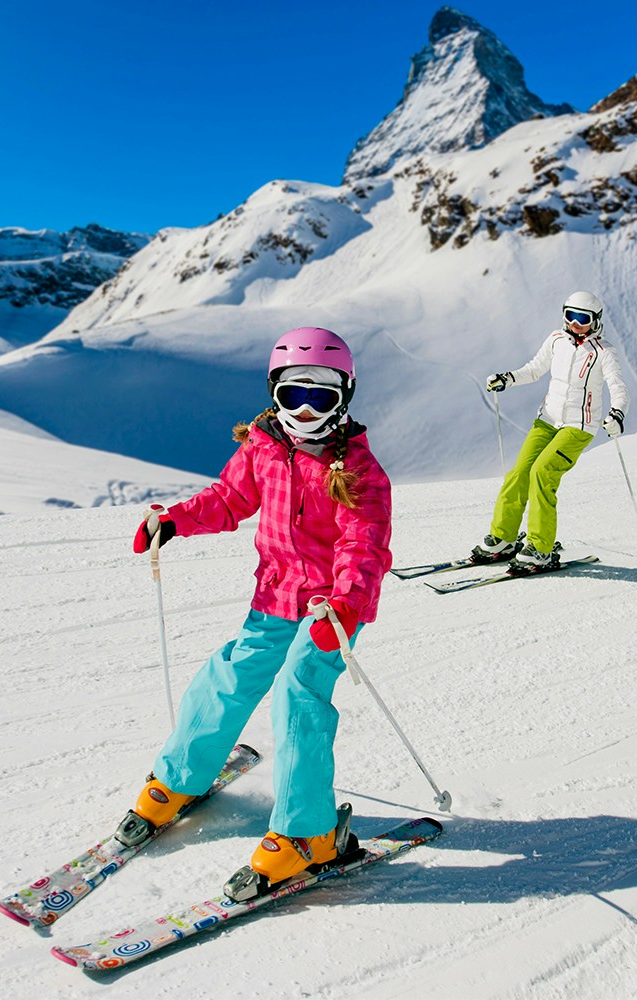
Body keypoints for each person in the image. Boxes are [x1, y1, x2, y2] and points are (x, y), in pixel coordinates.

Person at [120, 326, 393, 901]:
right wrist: (174, 520)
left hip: (332, 610)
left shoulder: (361, 473)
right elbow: (228, 499)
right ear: (274, 393)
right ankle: (178, 780)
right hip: (274, 594)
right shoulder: (263, 446)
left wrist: (344, 603)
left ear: (346, 395)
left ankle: (308, 833)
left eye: (322, 396)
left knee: (298, 694)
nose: (306, 409)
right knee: (228, 675)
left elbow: (363, 545)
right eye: (294, 394)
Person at [476, 291, 630, 573]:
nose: (575, 323)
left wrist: (617, 413)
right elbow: (535, 369)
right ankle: (503, 539)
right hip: (547, 420)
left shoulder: (603, 353)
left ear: (595, 321)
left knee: (542, 474)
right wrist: (507, 379)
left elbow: (618, 387)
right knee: (519, 473)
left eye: (582, 318)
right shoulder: (556, 340)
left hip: (578, 427)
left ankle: (540, 548)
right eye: (570, 316)